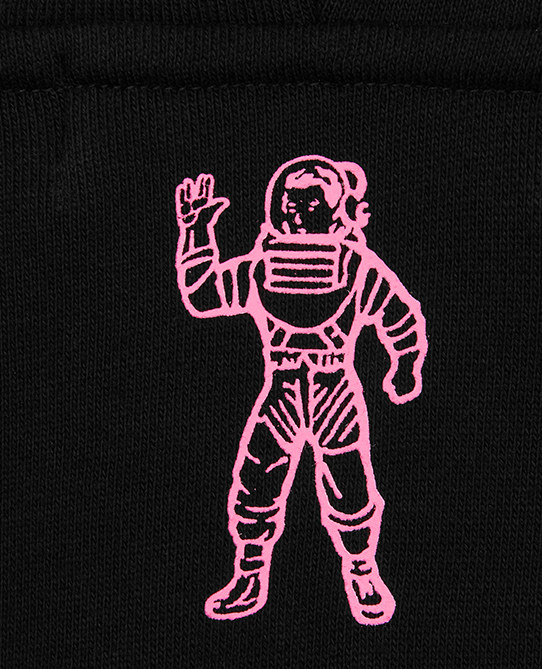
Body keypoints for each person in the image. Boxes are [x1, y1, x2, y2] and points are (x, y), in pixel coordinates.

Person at [174, 155, 427, 624]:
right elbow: (204, 294)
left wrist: (405, 366)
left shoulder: (356, 269)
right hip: (282, 392)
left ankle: (362, 569)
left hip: (335, 392)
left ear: (337, 212)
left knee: (350, 488)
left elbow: (401, 319)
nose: (298, 214)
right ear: (277, 208)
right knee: (257, 482)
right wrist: (196, 231)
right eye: (291, 204)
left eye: (312, 204)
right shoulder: (260, 269)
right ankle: (250, 574)